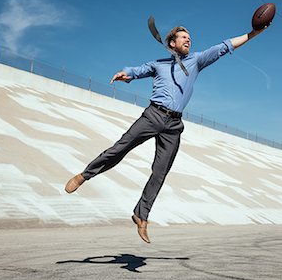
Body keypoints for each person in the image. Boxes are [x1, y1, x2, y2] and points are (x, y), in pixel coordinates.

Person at [65, 23, 269, 243]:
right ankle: (84, 175)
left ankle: (141, 215)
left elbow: (224, 46)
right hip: (153, 115)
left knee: (160, 171)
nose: (188, 40)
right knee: (120, 148)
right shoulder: (158, 65)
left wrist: (252, 34)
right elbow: (138, 70)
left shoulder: (197, 61)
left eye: (189, 38)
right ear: (172, 43)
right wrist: (126, 74)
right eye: (183, 37)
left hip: (174, 125)